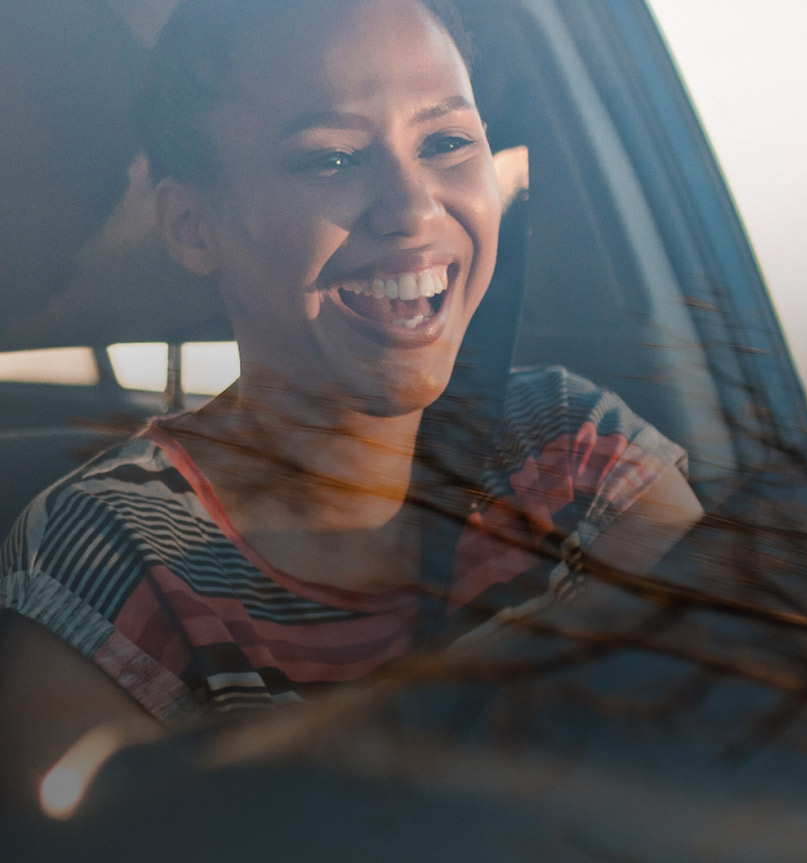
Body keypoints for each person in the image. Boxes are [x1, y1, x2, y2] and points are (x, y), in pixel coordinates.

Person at [0, 0, 702, 794]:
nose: (411, 209)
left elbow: (749, 719)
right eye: (330, 159)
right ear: (194, 227)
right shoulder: (111, 550)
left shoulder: (572, 449)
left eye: (445, 143)